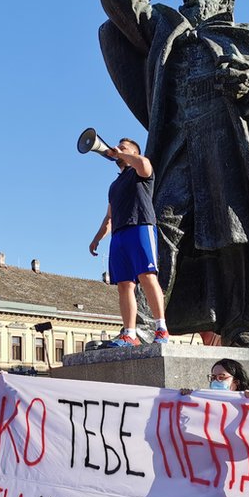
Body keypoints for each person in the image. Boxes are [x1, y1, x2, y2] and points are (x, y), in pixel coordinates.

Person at [99, 0, 249, 347]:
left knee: (234, 232)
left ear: (224, 0)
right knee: (160, 224)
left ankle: (238, 324)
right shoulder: (168, 32)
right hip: (178, 144)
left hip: (227, 142)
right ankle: (146, 325)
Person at [89, 137, 170, 347]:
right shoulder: (114, 185)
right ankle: (130, 333)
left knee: (147, 276)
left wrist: (122, 154)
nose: (118, 149)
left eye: (124, 147)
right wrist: (97, 238)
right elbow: (109, 217)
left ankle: (161, 329)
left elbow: (143, 164)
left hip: (141, 227)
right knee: (124, 285)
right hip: (119, 235)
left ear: (133, 152)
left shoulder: (141, 171)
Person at [180, 359, 249, 398]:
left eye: (221, 377)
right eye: (213, 377)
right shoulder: (204, 400)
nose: (215, 381)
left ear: (236, 382)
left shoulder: (246, 401)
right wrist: (186, 398)